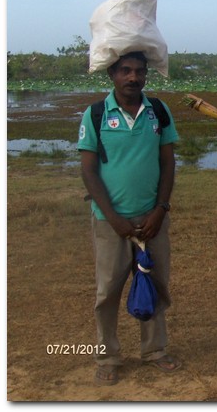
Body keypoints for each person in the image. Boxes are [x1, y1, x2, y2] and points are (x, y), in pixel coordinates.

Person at [78, 51, 181, 385]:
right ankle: (107, 357)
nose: (133, 77)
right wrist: (113, 217)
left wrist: (160, 209)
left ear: (146, 75)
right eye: (125, 70)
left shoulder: (158, 111)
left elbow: (168, 163)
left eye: (139, 71)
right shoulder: (95, 114)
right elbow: (88, 171)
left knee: (155, 283)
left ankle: (155, 350)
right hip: (111, 222)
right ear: (112, 74)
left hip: (152, 220)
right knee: (108, 291)